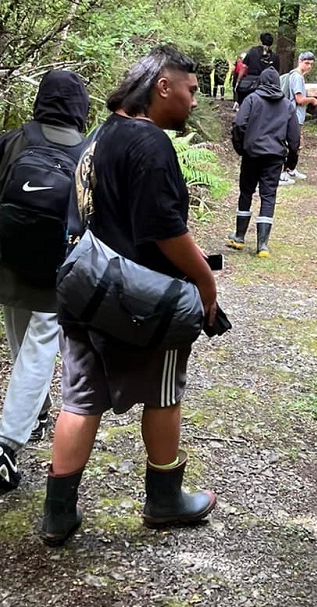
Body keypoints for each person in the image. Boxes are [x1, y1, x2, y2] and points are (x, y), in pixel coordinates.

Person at [41, 45, 218, 546]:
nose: (193, 102)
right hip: (144, 302)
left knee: (80, 400)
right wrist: (205, 278)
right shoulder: (150, 143)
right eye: (190, 90)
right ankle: (164, 499)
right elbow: (162, 229)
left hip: (85, 293)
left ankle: (58, 515)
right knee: (163, 394)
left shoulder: (97, 138)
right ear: (163, 86)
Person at [0, 69, 91, 492]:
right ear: (81, 108)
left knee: (24, 347)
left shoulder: (13, 141)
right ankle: (5, 446)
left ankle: (36, 410)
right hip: (58, 271)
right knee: (38, 350)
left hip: (9, 263)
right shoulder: (89, 152)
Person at [227, 68, 300, 258]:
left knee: (246, 192)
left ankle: (239, 237)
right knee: (268, 196)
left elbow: (239, 125)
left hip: (252, 155)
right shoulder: (287, 106)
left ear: (260, 81)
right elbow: (294, 139)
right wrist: (291, 162)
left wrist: (241, 148)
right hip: (275, 157)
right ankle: (262, 246)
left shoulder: (251, 100)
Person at [281, 51, 317, 183]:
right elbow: (299, 99)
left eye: (311, 64)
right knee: (293, 144)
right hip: (294, 115)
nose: (309, 66)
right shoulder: (297, 77)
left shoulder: (295, 75)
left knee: (296, 144)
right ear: (300, 61)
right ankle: (285, 171)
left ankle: (291, 169)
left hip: (293, 114)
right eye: (306, 63)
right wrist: (312, 100)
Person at [235, 33, 277, 105]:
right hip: (266, 86)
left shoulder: (253, 51)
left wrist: (238, 81)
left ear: (261, 41)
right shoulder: (275, 57)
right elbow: (275, 74)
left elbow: (244, 67)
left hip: (250, 84)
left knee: (246, 104)